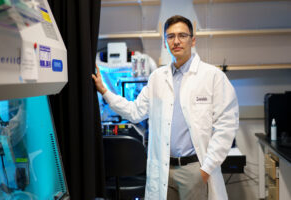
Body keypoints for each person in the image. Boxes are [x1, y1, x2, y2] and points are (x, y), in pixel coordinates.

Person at [92, 15, 239, 200]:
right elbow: (135, 111)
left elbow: (227, 125)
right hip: (163, 169)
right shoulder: (157, 78)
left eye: (182, 35)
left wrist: (206, 169)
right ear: (165, 42)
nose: (176, 41)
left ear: (193, 40)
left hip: (195, 168)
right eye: (170, 36)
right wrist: (104, 91)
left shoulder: (213, 77)